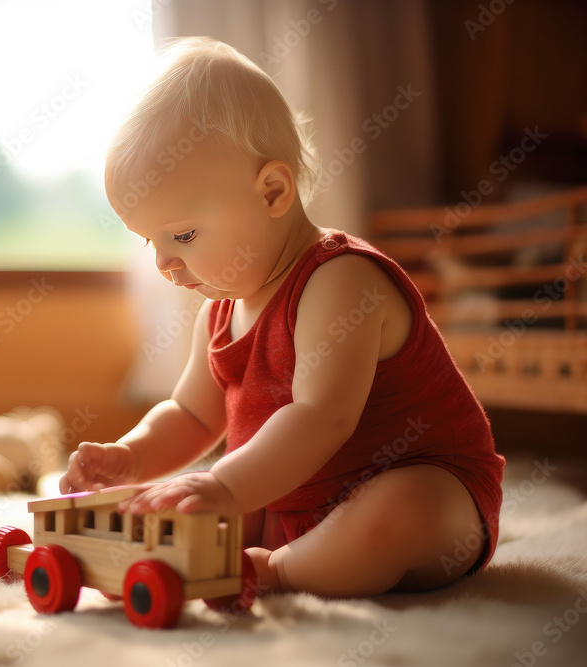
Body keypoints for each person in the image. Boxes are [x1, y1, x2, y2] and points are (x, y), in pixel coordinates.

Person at [58, 37, 505, 597]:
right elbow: (191, 416)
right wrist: (130, 457)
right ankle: (219, 556)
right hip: (293, 502)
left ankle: (276, 570)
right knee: (185, 510)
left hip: (433, 498)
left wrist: (223, 484)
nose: (165, 261)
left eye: (184, 234)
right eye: (150, 240)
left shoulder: (340, 280)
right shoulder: (219, 314)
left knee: (398, 510)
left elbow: (321, 416)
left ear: (272, 191)